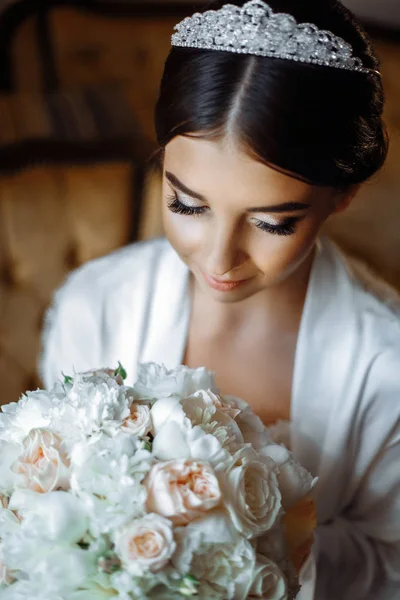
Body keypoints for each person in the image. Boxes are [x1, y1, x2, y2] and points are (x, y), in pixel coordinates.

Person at [40, 0, 400, 598]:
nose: (217, 258)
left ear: (342, 195)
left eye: (271, 222)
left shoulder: (387, 368)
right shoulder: (94, 304)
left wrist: (248, 540)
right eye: (187, 205)